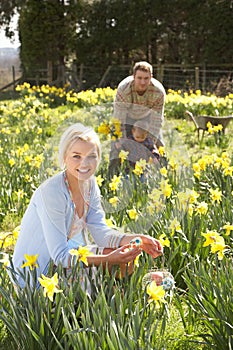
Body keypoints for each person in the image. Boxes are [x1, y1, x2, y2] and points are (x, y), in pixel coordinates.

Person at [11, 123, 163, 289]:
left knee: (125, 259)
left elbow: (101, 233)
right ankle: (96, 302)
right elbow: (60, 256)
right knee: (113, 261)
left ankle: (112, 300)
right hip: (37, 273)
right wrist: (107, 259)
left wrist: (138, 240)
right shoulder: (52, 192)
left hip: (65, 259)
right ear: (64, 157)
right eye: (76, 156)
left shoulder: (90, 185)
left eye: (91, 156)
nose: (85, 164)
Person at [113, 61, 166, 148]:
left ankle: (163, 161)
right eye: (139, 78)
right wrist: (121, 139)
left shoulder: (158, 92)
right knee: (117, 149)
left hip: (147, 118)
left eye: (146, 78)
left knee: (159, 148)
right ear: (133, 77)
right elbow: (119, 117)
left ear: (151, 77)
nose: (143, 82)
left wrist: (150, 142)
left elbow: (157, 120)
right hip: (127, 117)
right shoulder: (124, 89)